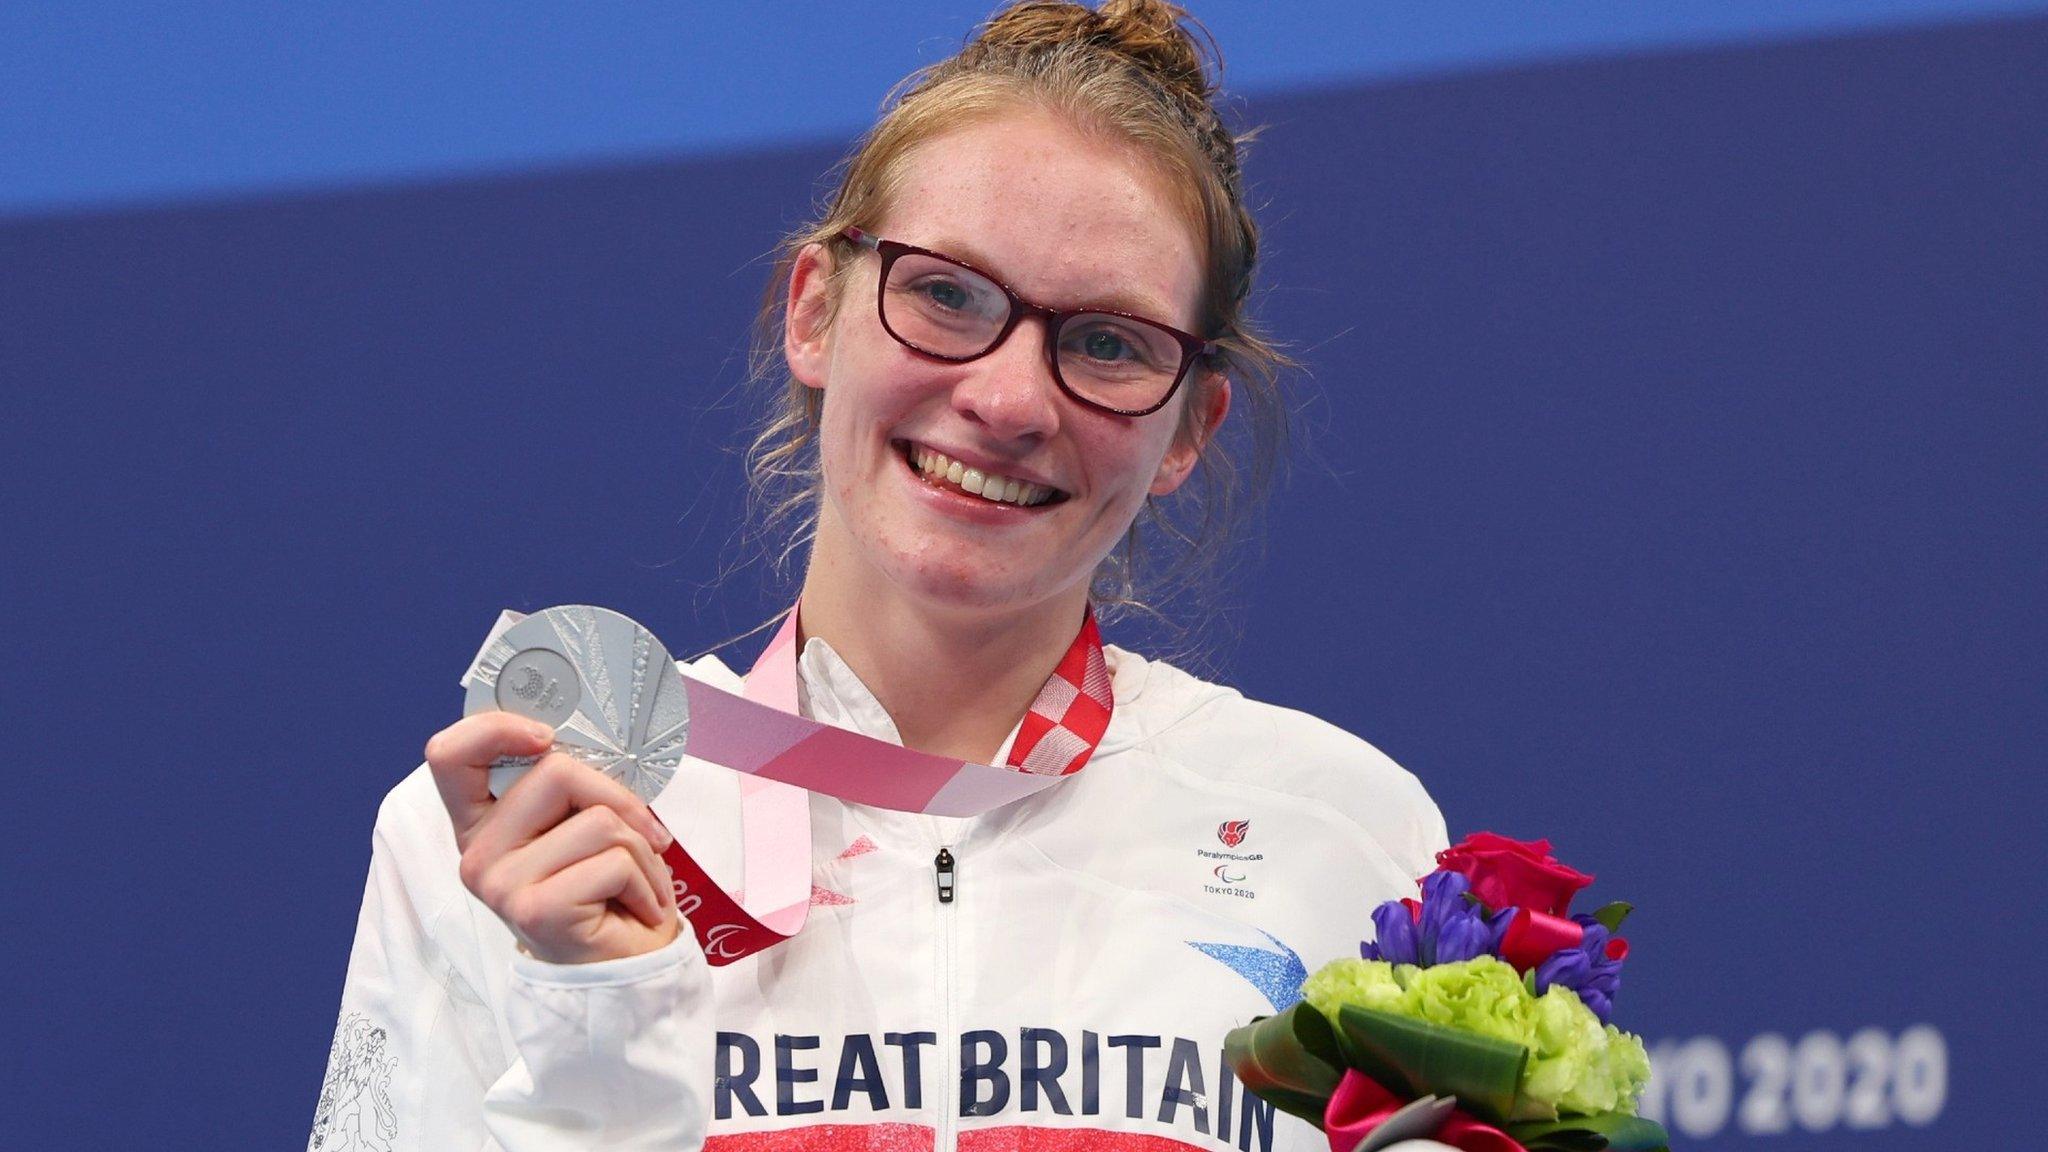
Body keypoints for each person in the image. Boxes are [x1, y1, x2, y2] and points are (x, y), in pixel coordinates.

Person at [314, 2, 1447, 1149]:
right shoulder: (525, 836)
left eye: (1108, 343)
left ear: (1190, 427)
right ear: (815, 311)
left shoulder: (1345, 838)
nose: (1007, 401)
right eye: (946, 294)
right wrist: (604, 1027)